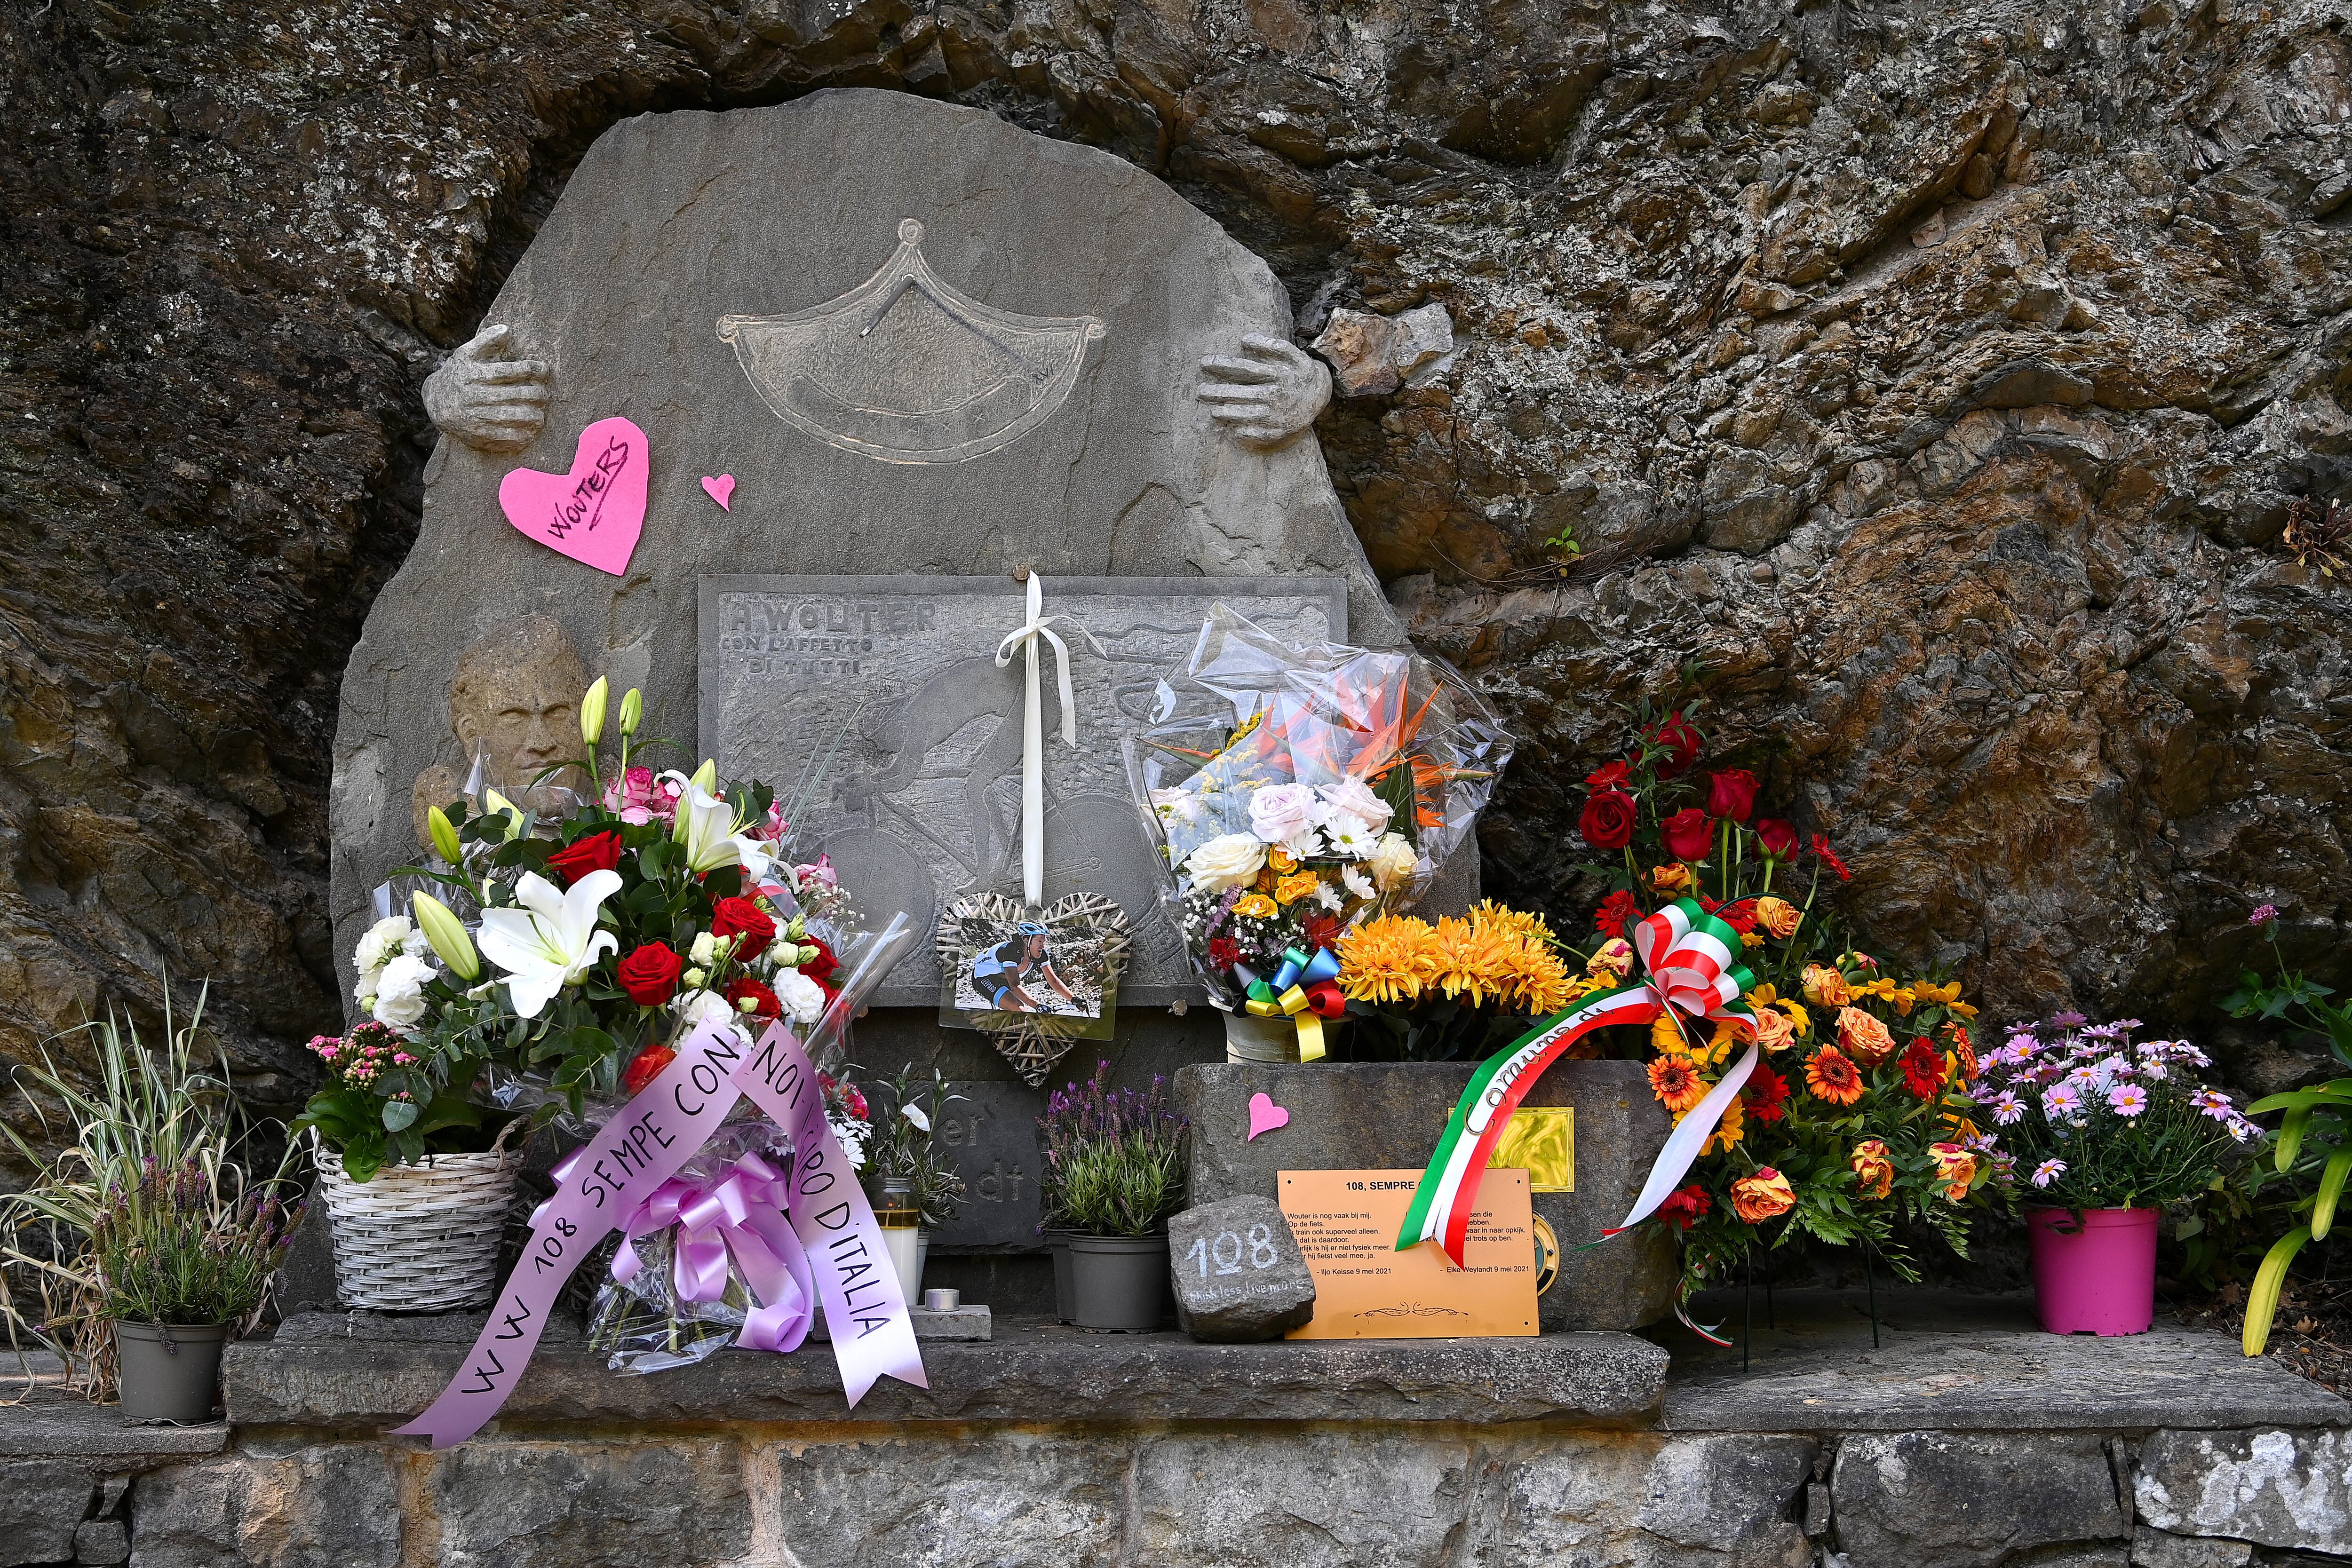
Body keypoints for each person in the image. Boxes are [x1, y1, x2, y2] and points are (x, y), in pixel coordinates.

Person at [971, 921, 1076, 1014]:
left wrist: (1074, 999)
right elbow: (1015, 986)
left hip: (1005, 979)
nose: (1043, 946)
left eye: (1044, 942)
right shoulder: (1011, 951)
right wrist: (1038, 1006)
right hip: (984, 978)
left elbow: (1053, 980)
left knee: (1023, 1010)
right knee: (1019, 1009)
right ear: (1027, 940)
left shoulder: (1042, 954)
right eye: (1040, 942)